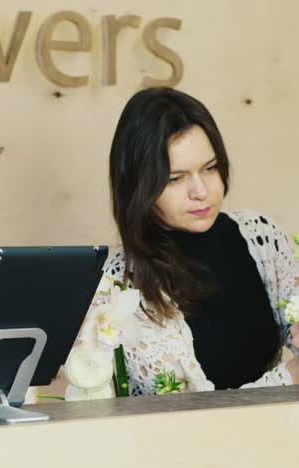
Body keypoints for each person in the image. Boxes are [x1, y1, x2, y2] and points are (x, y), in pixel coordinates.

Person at [82, 87, 299, 396]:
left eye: (209, 168)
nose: (201, 191)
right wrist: (290, 376)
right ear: (139, 185)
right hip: (184, 442)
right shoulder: (119, 286)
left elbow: (294, 319)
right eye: (176, 178)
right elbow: (189, 410)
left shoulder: (261, 237)